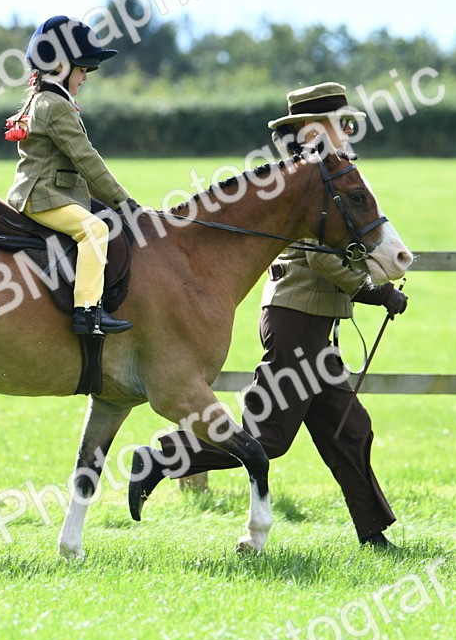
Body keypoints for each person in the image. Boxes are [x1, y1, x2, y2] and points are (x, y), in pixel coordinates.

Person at [126, 82, 409, 548]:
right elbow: (320, 257)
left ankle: (372, 535)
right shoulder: (309, 178)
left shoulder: (324, 170)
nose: (349, 129)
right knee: (269, 437)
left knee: (350, 429)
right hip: (297, 319)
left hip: (312, 323)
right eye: (340, 122)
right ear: (318, 128)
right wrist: (374, 292)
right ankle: (160, 460)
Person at [5, 15, 141, 336]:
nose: (85, 78)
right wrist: (125, 201)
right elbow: (86, 160)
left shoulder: (47, 100)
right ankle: (87, 311)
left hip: (49, 191)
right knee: (94, 230)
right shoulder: (55, 105)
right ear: (60, 68)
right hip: (43, 195)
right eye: (82, 70)